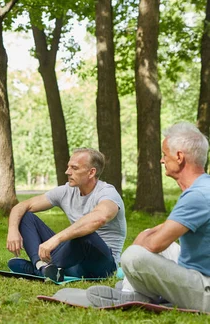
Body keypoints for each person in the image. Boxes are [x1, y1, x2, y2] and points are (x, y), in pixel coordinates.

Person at [87, 123, 210, 311]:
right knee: (148, 235)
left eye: (164, 154)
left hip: (205, 291)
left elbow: (154, 244)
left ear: (179, 157)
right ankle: (133, 290)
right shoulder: (204, 186)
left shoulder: (197, 195)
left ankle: (135, 293)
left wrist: (140, 244)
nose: (161, 160)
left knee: (134, 256)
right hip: (199, 272)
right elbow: (169, 229)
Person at [6, 148, 126, 281]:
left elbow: (98, 219)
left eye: (74, 168)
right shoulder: (66, 191)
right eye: (68, 167)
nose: (67, 172)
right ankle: (41, 267)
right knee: (25, 216)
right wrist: (12, 230)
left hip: (101, 266)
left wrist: (56, 239)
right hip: (72, 258)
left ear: (91, 172)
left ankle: (38, 269)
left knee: (84, 233)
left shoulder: (108, 193)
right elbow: (22, 206)